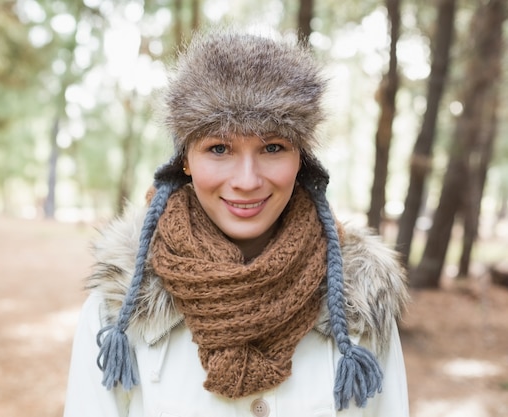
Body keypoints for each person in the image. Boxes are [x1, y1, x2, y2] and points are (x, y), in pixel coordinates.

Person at [63, 29, 410, 417]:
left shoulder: (361, 301)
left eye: (273, 147)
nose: (247, 180)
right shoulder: (120, 304)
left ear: (302, 161)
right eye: (219, 148)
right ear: (185, 161)